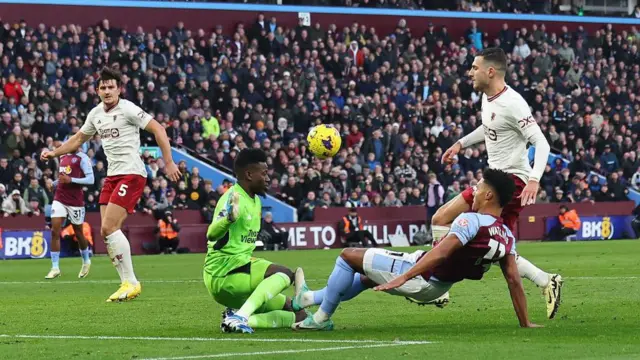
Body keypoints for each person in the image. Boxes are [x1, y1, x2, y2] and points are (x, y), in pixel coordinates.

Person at [292, 169, 541, 330]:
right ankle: (310, 299)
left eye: (478, 189)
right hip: (438, 286)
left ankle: (321, 319)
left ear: (488, 195)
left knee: (347, 256)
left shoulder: (471, 220)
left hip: (420, 275)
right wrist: (525, 323)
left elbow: (442, 252)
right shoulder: (507, 235)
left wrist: (405, 276)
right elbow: (514, 281)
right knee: (366, 277)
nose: (473, 193)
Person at [437, 47, 562, 319]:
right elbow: (489, 126)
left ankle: (439, 284)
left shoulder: (513, 103)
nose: (470, 72)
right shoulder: (489, 98)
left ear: (490, 71)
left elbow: (541, 142)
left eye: (474, 67)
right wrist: (460, 143)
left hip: (511, 184)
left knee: (494, 248)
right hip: (491, 182)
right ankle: (545, 280)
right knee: (442, 219)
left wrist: (533, 180)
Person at [41, 67, 181, 302]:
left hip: (132, 174)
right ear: (97, 90)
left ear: (119, 89)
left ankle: (131, 282)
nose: (107, 91)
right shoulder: (96, 114)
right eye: (103, 87)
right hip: (112, 176)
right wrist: (54, 153)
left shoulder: (128, 109)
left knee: (108, 228)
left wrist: (168, 162)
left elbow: (158, 128)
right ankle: (125, 283)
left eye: (111, 87)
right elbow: (78, 139)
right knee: (107, 232)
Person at [203, 148, 305, 334]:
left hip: (239, 278)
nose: (268, 178)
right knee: (284, 274)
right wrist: (228, 219)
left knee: (297, 313)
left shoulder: (255, 201)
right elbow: (211, 234)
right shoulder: (233, 198)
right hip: (224, 272)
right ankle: (241, 317)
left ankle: (241, 318)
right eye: (264, 173)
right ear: (249, 174)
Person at [45, 145, 95, 280]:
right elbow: (63, 177)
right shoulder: (63, 157)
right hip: (59, 198)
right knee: (55, 231)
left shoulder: (83, 159)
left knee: (78, 232)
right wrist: (54, 184)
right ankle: (55, 267)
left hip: (75, 201)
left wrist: (71, 180)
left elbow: (91, 180)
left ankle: (86, 260)